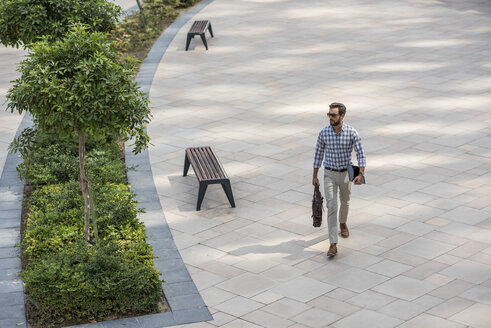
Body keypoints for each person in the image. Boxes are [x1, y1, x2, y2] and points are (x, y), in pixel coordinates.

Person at [312, 102, 366, 257]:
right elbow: (318, 155)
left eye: (333, 115)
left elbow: (361, 154)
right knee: (331, 206)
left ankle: (342, 222)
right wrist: (314, 176)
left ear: (342, 116)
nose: (330, 117)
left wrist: (360, 174)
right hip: (329, 173)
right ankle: (333, 244)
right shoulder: (323, 133)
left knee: (345, 202)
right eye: (329, 114)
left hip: (345, 173)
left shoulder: (352, 132)